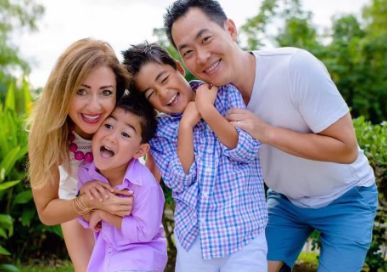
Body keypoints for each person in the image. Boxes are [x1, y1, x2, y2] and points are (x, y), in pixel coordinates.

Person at [163, 1, 378, 271]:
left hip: (347, 197)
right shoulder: (207, 100)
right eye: (188, 52)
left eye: (206, 39)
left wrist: (266, 132)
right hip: (286, 201)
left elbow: (346, 149)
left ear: (230, 29)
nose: (202, 56)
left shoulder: (294, 67)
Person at [123, 42, 268, 272]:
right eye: (150, 93)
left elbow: (246, 150)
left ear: (179, 69)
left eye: (164, 79)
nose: (163, 93)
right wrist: (186, 126)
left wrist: (207, 111)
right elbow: (179, 180)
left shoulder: (225, 93)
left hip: (244, 235)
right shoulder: (159, 132)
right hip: (194, 241)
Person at [28, 38, 134, 272]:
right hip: (75, 211)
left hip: (126, 212)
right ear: (63, 91)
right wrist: (86, 202)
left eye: (105, 92)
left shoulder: (128, 119)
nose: (94, 106)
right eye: (81, 91)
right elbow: (46, 211)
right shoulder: (48, 133)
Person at [76, 93, 167, 272]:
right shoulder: (86, 172)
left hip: (142, 254)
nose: (111, 137)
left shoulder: (144, 185)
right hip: (107, 251)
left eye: (125, 134)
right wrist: (85, 194)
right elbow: (88, 219)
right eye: (108, 125)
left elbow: (145, 232)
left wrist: (105, 215)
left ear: (140, 150)